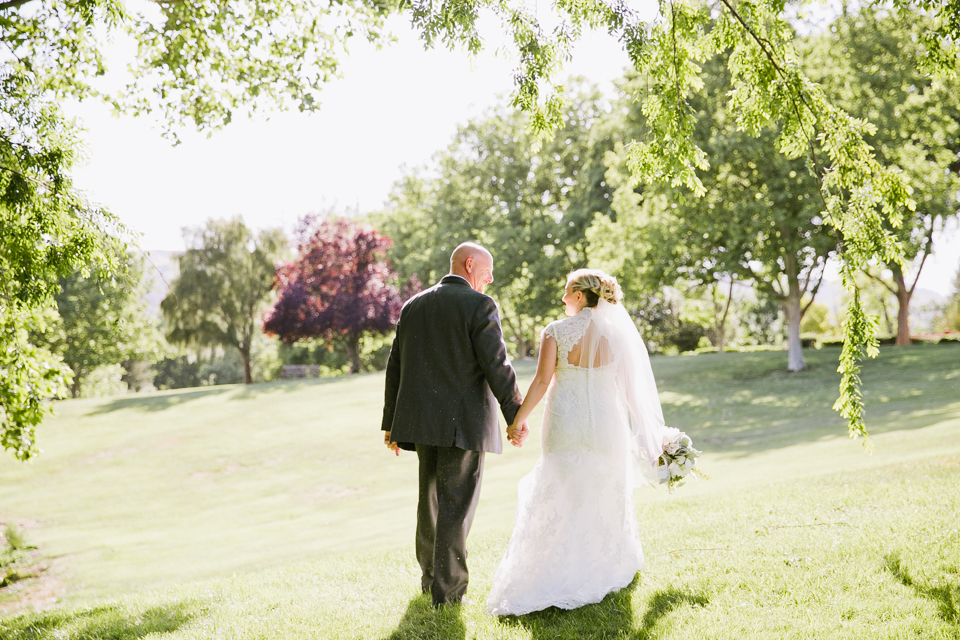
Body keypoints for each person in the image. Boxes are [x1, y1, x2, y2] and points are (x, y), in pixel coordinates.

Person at [486, 268, 668, 616]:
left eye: (568, 291)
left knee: (562, 486)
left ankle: (558, 567)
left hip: (565, 422)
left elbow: (541, 382)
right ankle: (603, 563)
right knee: (604, 486)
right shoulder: (618, 335)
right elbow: (632, 391)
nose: (563, 298)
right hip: (606, 423)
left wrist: (517, 421)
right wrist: (649, 434)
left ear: (581, 296)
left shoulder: (556, 331)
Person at [382, 242, 529, 608]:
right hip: (463, 424)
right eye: (488, 270)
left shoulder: (413, 305)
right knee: (456, 508)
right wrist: (515, 415)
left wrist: (390, 423)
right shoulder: (480, 305)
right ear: (469, 264)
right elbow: (497, 364)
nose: (491, 279)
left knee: (429, 504)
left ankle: (430, 581)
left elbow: (394, 366)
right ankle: (447, 596)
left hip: (420, 424)